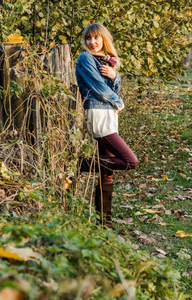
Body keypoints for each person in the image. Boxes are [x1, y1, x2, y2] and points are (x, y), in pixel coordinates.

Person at [75, 23, 138, 228]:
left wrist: (115, 76)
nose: (92, 42)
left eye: (96, 38)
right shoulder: (85, 59)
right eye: (88, 39)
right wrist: (119, 102)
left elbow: (113, 87)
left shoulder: (106, 61)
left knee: (107, 173)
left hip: (109, 114)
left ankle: (105, 223)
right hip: (98, 113)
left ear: (104, 39)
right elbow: (98, 88)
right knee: (130, 161)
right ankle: (80, 165)